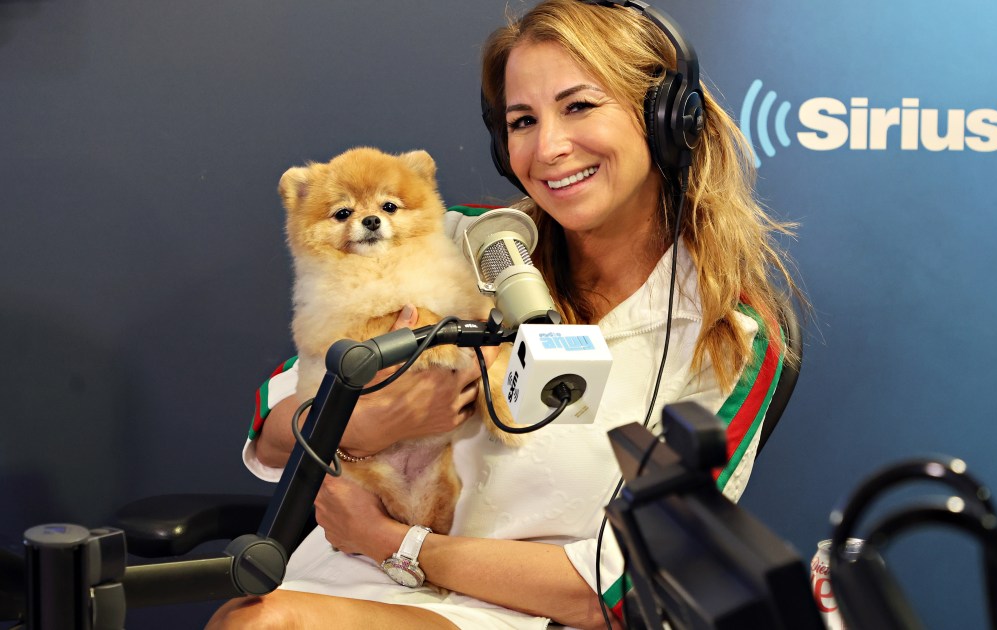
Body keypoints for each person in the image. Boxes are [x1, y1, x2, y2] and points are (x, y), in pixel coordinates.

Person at [208, 1, 802, 628]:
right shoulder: (459, 242)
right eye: (522, 120)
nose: (548, 147)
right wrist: (368, 423)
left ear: (664, 119)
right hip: (335, 577)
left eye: (578, 106)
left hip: (512, 613)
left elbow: (625, 587)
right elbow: (271, 433)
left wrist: (396, 544)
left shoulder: (724, 338)